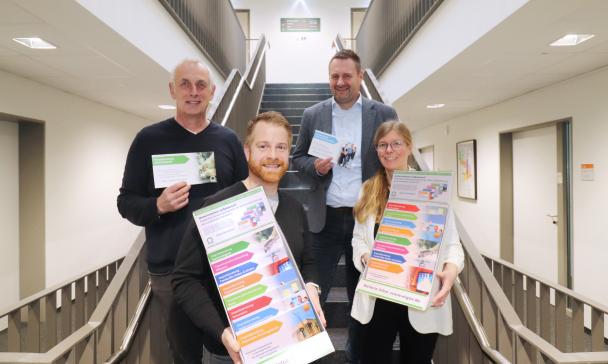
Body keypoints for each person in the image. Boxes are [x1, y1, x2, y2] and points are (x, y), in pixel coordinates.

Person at [117, 59, 248, 362]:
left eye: (201, 85)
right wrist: (157, 206)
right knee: (184, 353)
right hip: (171, 272)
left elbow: (244, 196)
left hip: (223, 268)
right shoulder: (148, 140)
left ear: (212, 91)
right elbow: (125, 202)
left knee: (231, 350)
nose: (193, 91)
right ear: (172, 90)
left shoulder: (227, 140)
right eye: (185, 84)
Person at [172, 111, 325, 364]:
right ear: (247, 151)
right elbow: (184, 279)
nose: (273, 156)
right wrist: (222, 333)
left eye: (281, 147)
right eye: (263, 146)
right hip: (231, 353)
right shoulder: (216, 207)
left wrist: (312, 288)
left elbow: (307, 262)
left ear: (289, 153)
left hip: (290, 346)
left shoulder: (295, 208)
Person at [291, 49, 397, 363]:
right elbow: (298, 159)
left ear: (360, 77)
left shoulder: (383, 113)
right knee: (311, 296)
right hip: (324, 222)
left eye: (347, 76)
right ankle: (307, 355)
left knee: (363, 299)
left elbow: (395, 156)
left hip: (366, 221)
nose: (340, 82)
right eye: (335, 76)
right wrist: (316, 167)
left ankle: (356, 356)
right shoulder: (314, 114)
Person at [350, 121, 465, 364]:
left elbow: (453, 244)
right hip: (378, 295)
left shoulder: (433, 190)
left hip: (420, 295)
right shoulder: (367, 190)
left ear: (409, 147)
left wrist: (451, 272)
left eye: (395, 144)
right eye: (382, 145)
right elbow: (358, 239)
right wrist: (364, 257)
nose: (389, 150)